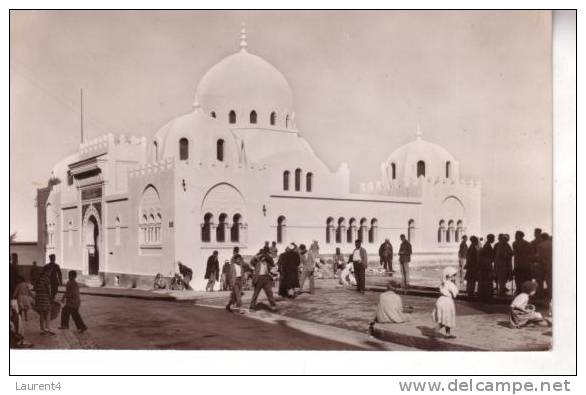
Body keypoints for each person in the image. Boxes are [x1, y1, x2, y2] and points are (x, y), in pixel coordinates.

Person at [432, 267, 459, 338]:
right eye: (453, 275)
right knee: (447, 319)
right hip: (447, 302)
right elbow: (455, 294)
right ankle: (434, 331)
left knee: (446, 318)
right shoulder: (450, 284)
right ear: (449, 276)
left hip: (441, 300)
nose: (455, 277)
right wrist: (455, 284)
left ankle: (447, 334)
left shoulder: (443, 283)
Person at [34, 265, 55, 336]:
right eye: (50, 271)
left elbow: (35, 288)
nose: (50, 273)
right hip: (44, 297)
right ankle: (47, 328)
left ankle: (41, 329)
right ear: (47, 271)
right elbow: (49, 289)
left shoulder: (39, 278)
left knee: (42, 314)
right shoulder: (46, 278)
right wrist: (51, 298)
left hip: (38, 297)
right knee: (48, 312)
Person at [478, 234, 495, 300]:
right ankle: (486, 296)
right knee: (487, 281)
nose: (494, 239)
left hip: (486, 266)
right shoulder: (487, 246)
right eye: (493, 238)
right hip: (486, 266)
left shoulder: (487, 245)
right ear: (490, 238)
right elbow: (488, 256)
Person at [536, 233, 552, 301]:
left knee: (540, 281)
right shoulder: (552, 244)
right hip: (551, 264)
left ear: (542, 238)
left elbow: (539, 256)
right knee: (550, 281)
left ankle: (540, 295)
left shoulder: (540, 245)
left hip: (543, 265)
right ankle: (550, 295)